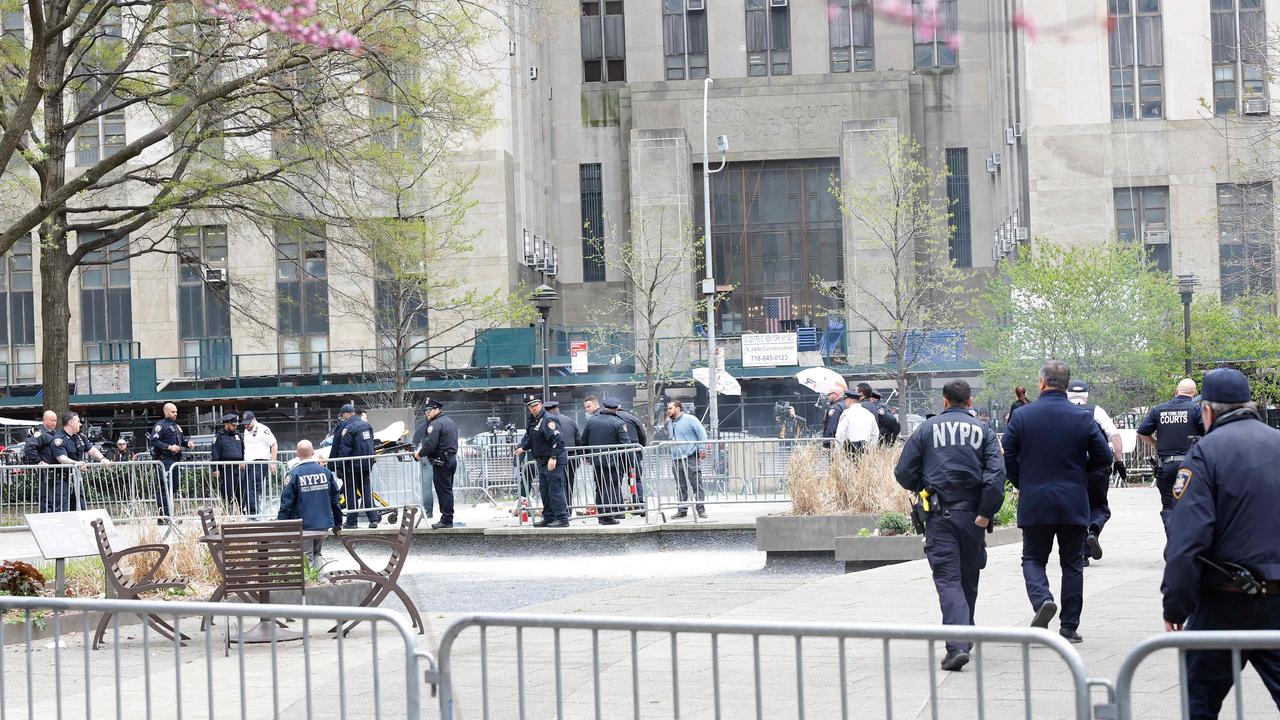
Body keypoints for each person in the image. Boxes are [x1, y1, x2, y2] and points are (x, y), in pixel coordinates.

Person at [1161, 368, 1280, 720]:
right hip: (1277, 599)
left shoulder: (1205, 454)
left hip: (1224, 602)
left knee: (1200, 700)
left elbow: (1187, 539)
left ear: (1208, 412)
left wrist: (1175, 604)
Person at [894, 379, 1005, 672]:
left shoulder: (926, 430)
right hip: (973, 518)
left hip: (939, 516)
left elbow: (903, 472)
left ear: (944, 401)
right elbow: (996, 475)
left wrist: (924, 484)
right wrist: (985, 513)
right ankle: (964, 635)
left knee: (948, 580)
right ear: (970, 402)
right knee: (968, 578)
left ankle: (957, 645)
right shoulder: (985, 432)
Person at [1002, 360, 1112, 644]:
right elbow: (1104, 457)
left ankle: (1042, 600)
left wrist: (1022, 481)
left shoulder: (1022, 417)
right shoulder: (1083, 418)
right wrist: (1078, 473)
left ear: (1041, 383)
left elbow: (1009, 457)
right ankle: (1069, 627)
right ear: (1066, 384)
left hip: (1035, 499)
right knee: (1072, 563)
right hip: (1073, 500)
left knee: (1033, 558)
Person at [1065, 380, 1126, 565]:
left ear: (1068, 394)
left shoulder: (1062, 411)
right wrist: (1119, 461)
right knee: (1099, 505)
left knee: (1076, 509)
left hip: (1071, 469)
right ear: (1086, 395)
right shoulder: (1096, 410)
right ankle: (1094, 529)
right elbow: (1114, 436)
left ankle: (1082, 554)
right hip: (1097, 468)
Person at [1137, 378, 1202, 533]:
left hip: (1166, 467)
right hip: (1188, 469)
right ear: (1194, 393)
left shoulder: (1159, 410)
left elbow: (1142, 432)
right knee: (1190, 505)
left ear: (1176, 391)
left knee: (1169, 506)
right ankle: (1184, 543)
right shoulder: (1196, 410)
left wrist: (1157, 445)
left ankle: (1173, 539)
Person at [276, 440, 343, 568]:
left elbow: (286, 504)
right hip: (323, 524)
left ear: (297, 454)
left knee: (306, 556)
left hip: (304, 525)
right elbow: (335, 500)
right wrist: (338, 523)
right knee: (317, 553)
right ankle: (320, 581)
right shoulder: (325, 472)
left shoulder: (294, 474)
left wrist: (282, 526)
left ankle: (310, 585)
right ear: (312, 452)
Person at [515, 397, 569, 527]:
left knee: (555, 490)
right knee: (545, 491)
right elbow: (532, 439)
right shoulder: (534, 421)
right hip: (542, 461)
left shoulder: (548, 419)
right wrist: (523, 448)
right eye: (531, 406)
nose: (534, 408)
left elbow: (559, 440)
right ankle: (549, 517)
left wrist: (554, 457)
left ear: (541, 405)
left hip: (552, 460)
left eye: (536, 405)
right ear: (528, 408)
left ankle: (562, 518)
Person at [579, 397, 629, 524]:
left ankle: (601, 516)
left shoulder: (592, 421)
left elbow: (583, 441)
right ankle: (608, 516)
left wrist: (588, 456)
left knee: (600, 488)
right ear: (616, 409)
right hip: (613, 463)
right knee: (610, 487)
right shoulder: (618, 423)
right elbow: (626, 444)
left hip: (596, 462)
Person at [50, 411, 110, 512]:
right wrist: (76, 464)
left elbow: (91, 450)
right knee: (63, 509)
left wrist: (102, 458)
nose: (80, 424)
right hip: (61, 480)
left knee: (80, 507)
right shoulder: (59, 439)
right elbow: (62, 458)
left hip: (76, 478)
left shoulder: (80, 437)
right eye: (78, 421)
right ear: (71, 423)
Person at [414, 400, 459, 529]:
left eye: (429, 410)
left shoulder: (435, 424)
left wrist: (419, 454)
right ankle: (446, 517)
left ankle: (446, 519)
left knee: (443, 491)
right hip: (450, 460)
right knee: (447, 490)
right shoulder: (450, 422)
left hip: (441, 462)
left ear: (437, 409)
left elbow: (430, 444)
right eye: (425, 411)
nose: (426, 414)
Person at [333, 403, 378, 529]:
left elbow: (344, 449)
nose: (343, 418)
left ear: (347, 414)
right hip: (366, 465)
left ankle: (352, 521)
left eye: (343, 416)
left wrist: (339, 466)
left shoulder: (349, 427)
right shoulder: (367, 425)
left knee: (351, 493)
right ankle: (373, 519)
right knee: (366, 492)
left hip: (352, 467)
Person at [150, 403, 194, 523]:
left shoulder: (176, 426)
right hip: (164, 461)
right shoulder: (160, 426)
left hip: (174, 461)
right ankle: (163, 517)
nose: (176, 414)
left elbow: (181, 441)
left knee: (173, 488)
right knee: (164, 489)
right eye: (173, 412)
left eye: (176, 411)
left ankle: (170, 515)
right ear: (166, 412)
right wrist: (169, 447)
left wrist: (187, 443)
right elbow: (154, 441)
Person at [666, 400, 709, 519]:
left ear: (678, 408)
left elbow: (701, 434)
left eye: (670, 408)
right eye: (668, 408)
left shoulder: (691, 419)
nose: (668, 410)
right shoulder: (670, 423)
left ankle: (700, 509)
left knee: (696, 484)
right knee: (680, 486)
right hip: (676, 458)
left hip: (690, 457)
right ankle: (682, 509)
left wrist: (702, 449)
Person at [240, 411, 277, 517]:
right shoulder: (246, 431)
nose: (246, 426)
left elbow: (274, 444)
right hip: (249, 463)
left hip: (260, 462)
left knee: (252, 486)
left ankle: (253, 513)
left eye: (248, 423)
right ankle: (251, 511)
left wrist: (273, 462)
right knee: (247, 486)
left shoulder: (263, 429)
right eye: (245, 424)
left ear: (254, 420)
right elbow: (248, 448)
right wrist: (244, 461)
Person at [210, 413, 248, 513]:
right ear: (227, 424)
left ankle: (242, 511)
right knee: (228, 492)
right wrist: (215, 469)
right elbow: (215, 453)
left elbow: (244, 450)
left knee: (241, 491)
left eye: (236, 425)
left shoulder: (239, 435)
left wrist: (244, 461)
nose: (235, 427)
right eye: (233, 425)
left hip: (239, 468)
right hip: (226, 469)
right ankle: (228, 513)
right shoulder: (219, 436)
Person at [545, 400, 580, 507]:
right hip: (571, 458)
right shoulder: (570, 420)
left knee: (555, 486)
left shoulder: (546, 422)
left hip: (554, 458)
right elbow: (578, 440)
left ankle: (559, 511)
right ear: (557, 409)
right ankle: (568, 509)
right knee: (569, 485)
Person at [615, 401, 649, 511]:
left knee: (617, 479)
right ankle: (639, 503)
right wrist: (640, 449)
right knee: (635, 478)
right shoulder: (632, 417)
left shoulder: (613, 418)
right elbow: (642, 435)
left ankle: (619, 506)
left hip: (617, 452)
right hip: (633, 451)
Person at [835, 388, 878, 456]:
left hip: (850, 449)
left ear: (849, 400)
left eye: (845, 400)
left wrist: (838, 451)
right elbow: (875, 433)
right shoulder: (868, 414)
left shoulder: (846, 413)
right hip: (866, 449)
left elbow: (840, 433)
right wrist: (871, 449)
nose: (845, 403)